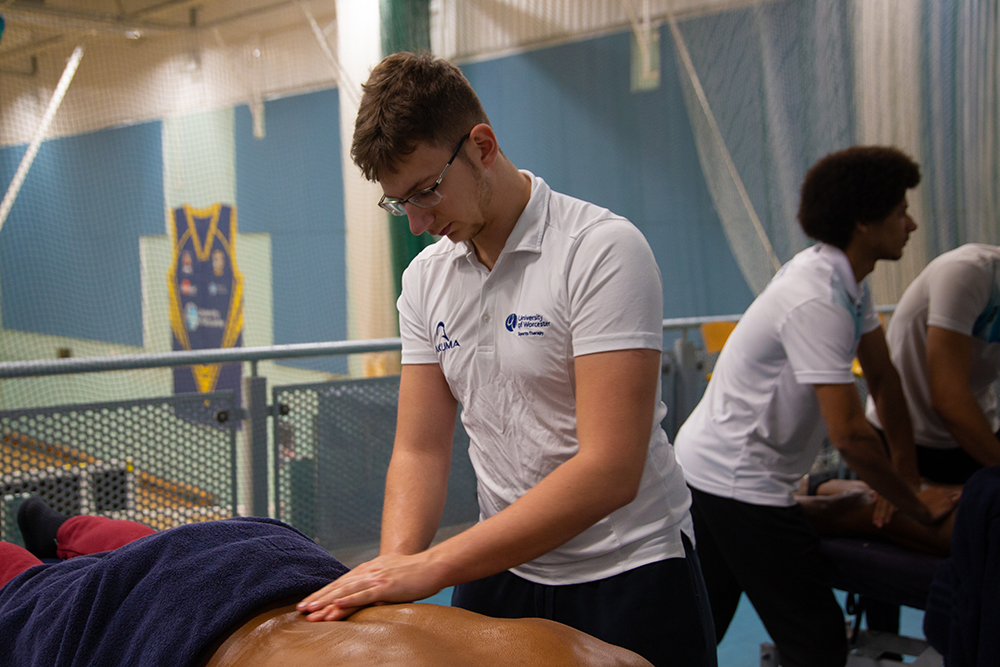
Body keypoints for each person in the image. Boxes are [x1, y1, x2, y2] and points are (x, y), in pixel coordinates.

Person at [297, 51, 716, 667]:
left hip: (627, 566)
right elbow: (420, 448)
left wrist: (431, 566)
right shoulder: (424, 280)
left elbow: (609, 468)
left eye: (426, 191)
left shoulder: (601, 252)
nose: (416, 221)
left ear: (483, 146)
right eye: (398, 203)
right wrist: (391, 575)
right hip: (502, 571)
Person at [672, 146, 958, 667]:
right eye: (900, 212)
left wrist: (908, 479)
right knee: (818, 641)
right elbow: (849, 434)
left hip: (716, 470)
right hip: (737, 482)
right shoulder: (816, 296)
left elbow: (886, 380)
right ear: (865, 223)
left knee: (699, 627)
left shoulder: (848, 283)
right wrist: (917, 506)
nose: (911, 224)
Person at [0, 498, 652, 667]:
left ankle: (54, 524)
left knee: (159, 557)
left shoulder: (608, 658)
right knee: (30, 598)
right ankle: (53, 527)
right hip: (191, 611)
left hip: (273, 558)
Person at [866, 244, 1000, 484]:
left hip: (978, 426)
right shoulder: (968, 271)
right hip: (907, 438)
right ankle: (817, 488)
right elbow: (948, 399)